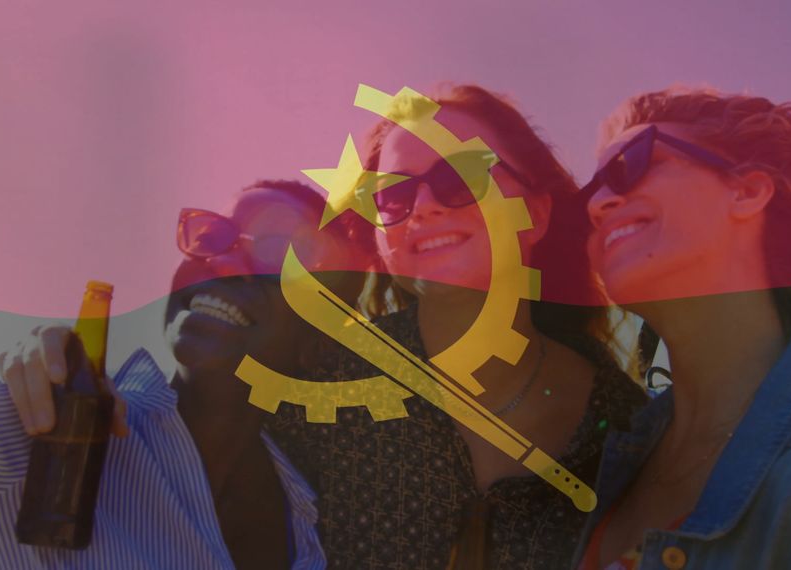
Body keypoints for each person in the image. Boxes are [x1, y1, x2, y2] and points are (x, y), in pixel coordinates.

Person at [0, 180, 353, 569]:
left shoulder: (305, 510)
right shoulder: (41, 429)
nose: (227, 262)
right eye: (210, 236)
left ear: (316, 343)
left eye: (280, 254)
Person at [267, 84, 648, 569]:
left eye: (464, 175)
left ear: (536, 213)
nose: (425, 206)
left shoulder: (627, 426)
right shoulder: (322, 392)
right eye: (393, 194)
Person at [574, 88, 791, 569]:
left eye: (629, 165)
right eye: (589, 191)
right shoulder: (608, 449)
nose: (598, 204)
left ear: (747, 191)